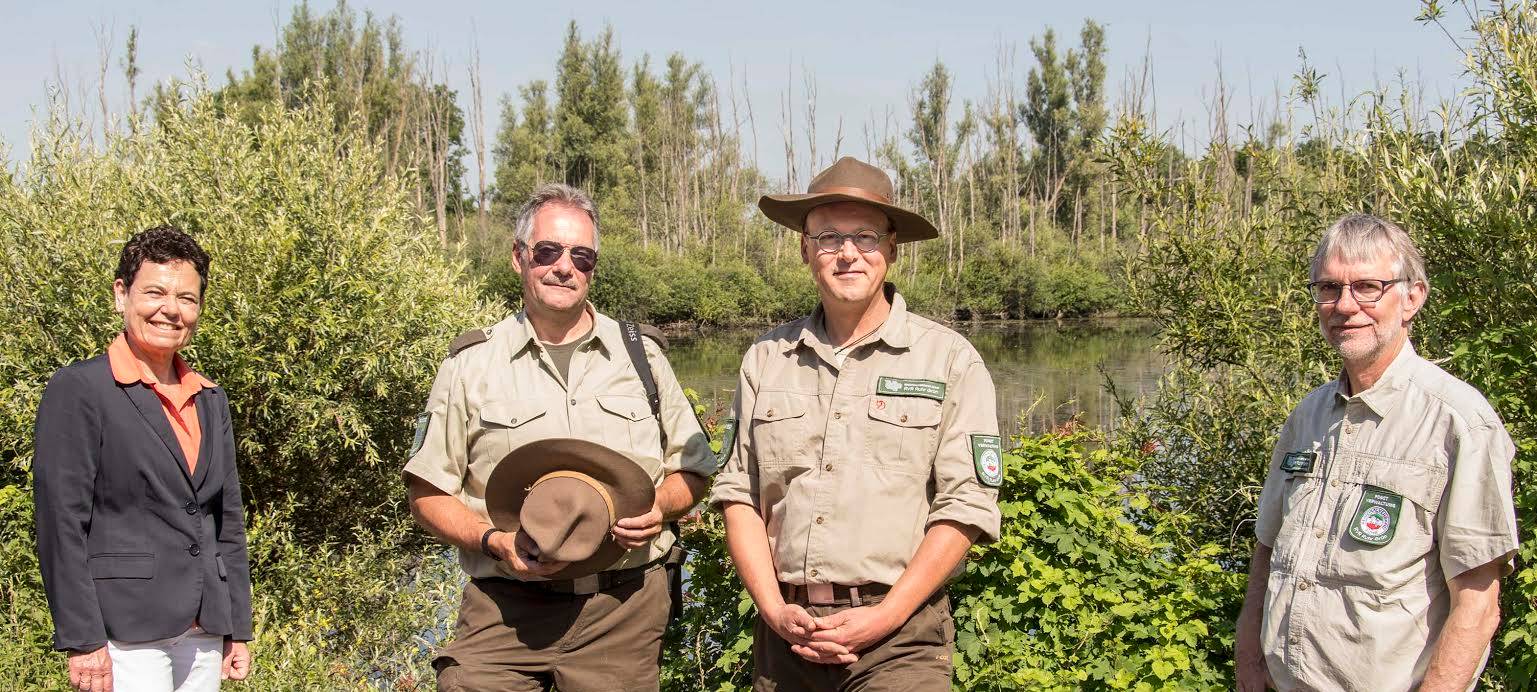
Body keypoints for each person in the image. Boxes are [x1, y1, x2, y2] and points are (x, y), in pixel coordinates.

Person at [403, 183, 716, 691]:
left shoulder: (642, 356)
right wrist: (493, 541)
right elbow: (427, 492)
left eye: (582, 256)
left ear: (593, 266)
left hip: (623, 612)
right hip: (503, 611)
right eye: (547, 251)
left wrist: (661, 506)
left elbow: (695, 468)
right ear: (519, 258)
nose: (564, 267)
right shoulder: (471, 365)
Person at [711, 156, 1003, 691]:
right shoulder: (766, 359)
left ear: (892, 249)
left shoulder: (948, 361)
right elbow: (738, 496)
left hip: (899, 640)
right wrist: (774, 611)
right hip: (788, 636)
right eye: (828, 238)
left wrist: (885, 617)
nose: (847, 254)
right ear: (805, 249)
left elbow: (966, 507)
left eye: (865, 237)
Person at [1234, 213, 1518, 692]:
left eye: (1367, 286)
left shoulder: (1458, 422)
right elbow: (1268, 551)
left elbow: (1477, 603)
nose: (1345, 305)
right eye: (1328, 288)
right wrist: (1249, 655)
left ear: (1412, 298)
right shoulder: (1307, 417)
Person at [34, 226, 253, 692]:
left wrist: (236, 625)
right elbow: (61, 524)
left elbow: (225, 520)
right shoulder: (81, 390)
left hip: (203, 629)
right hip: (123, 632)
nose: (171, 309)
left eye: (187, 298)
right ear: (121, 295)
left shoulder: (211, 398)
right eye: (155, 292)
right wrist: (82, 638)